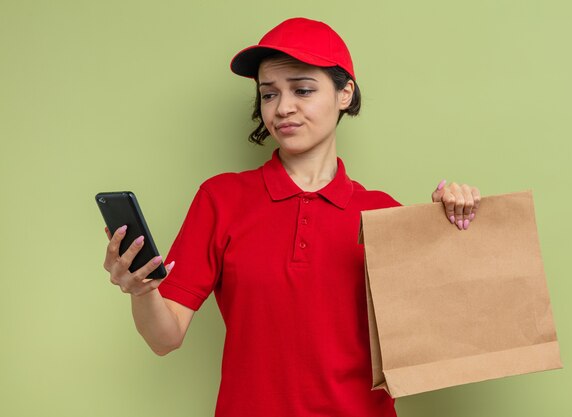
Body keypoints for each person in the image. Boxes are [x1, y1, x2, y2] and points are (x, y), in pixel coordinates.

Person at [102, 17, 481, 417]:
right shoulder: (221, 199)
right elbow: (165, 338)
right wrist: (141, 290)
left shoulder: (383, 212)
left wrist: (450, 227)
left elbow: (439, 337)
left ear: (344, 93)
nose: (282, 108)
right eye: (268, 95)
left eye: (302, 89)